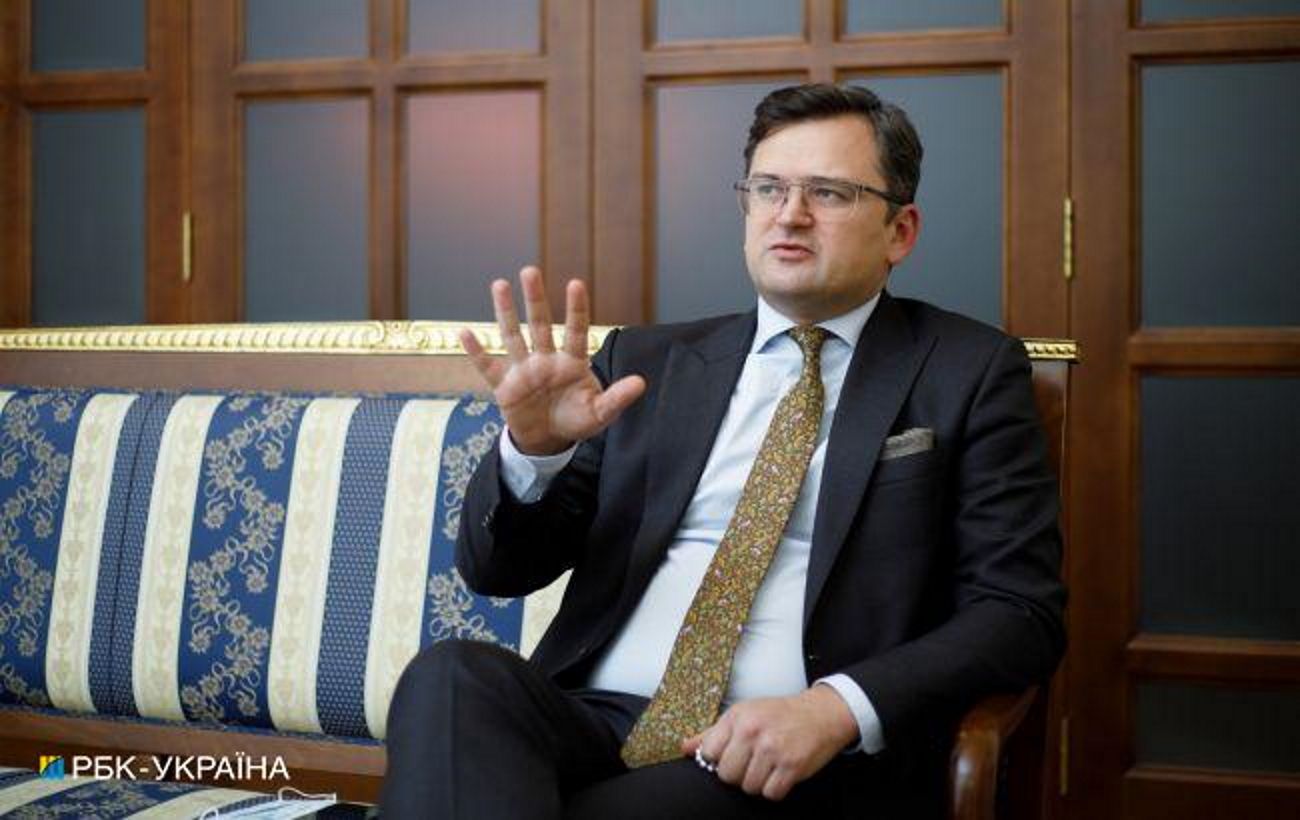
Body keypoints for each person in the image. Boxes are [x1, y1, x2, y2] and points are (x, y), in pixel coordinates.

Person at [381, 83, 1066, 819]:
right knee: (452, 675)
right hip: (596, 718)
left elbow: (1017, 611)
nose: (789, 214)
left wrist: (833, 708)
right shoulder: (646, 364)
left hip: (790, 751)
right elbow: (499, 571)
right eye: (768, 188)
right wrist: (534, 450)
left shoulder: (968, 371)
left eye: (829, 192)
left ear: (900, 230)